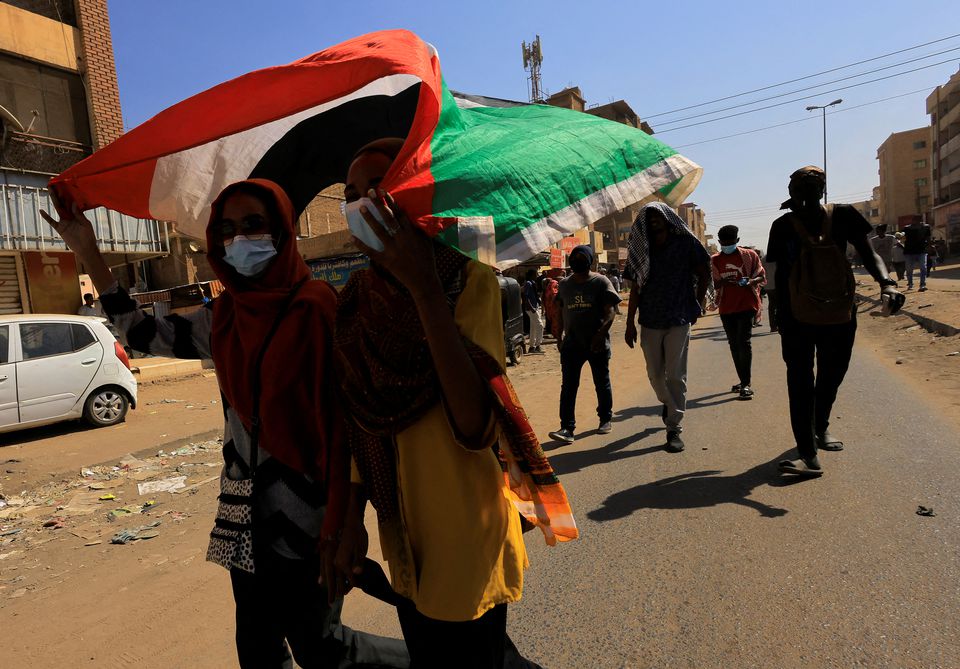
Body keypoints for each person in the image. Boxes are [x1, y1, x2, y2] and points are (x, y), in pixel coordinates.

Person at [42, 181, 408, 669]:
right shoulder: (224, 317)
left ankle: (434, 660)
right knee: (256, 649)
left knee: (321, 647)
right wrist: (88, 251)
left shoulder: (318, 308)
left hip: (310, 515)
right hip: (242, 510)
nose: (239, 240)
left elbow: (347, 429)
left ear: (281, 231)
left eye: (253, 225)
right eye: (228, 230)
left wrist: (345, 522)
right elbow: (143, 332)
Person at [333, 138, 575, 668]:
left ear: (413, 196)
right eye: (351, 194)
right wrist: (350, 521)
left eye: (377, 188)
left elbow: (475, 425)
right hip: (402, 533)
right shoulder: (355, 300)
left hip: (465, 532)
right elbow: (358, 419)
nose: (361, 204)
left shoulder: (466, 278)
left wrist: (422, 288)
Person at [766, 166, 904, 477]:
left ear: (822, 190)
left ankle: (820, 426)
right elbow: (773, 269)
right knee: (799, 380)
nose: (804, 193)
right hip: (795, 314)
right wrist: (774, 308)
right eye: (799, 188)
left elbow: (869, 254)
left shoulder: (843, 215)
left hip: (839, 311)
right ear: (791, 193)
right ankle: (807, 452)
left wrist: (887, 283)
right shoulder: (782, 225)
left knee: (831, 374)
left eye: (811, 187)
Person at [623, 203, 711, 453]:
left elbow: (704, 271)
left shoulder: (685, 243)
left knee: (675, 375)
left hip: (679, 316)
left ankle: (673, 427)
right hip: (650, 319)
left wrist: (698, 301)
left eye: (657, 216)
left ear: (667, 218)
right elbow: (636, 288)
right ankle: (670, 403)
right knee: (654, 374)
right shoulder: (641, 249)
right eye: (648, 217)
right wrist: (629, 323)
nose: (653, 220)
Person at [547, 245, 621, 444]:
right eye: (575, 257)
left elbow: (611, 311)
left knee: (601, 382)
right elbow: (560, 310)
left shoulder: (601, 281)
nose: (577, 261)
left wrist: (600, 334)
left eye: (581, 257)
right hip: (572, 345)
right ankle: (567, 428)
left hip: (596, 343)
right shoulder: (564, 285)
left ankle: (605, 419)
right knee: (569, 387)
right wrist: (559, 337)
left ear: (589, 260)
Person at [711, 226, 766, 400]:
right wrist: (723, 282)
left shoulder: (750, 256)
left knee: (744, 342)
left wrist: (750, 281)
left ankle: (746, 384)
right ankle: (743, 381)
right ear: (719, 243)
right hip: (726, 308)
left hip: (747, 305)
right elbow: (713, 285)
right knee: (734, 345)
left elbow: (761, 276)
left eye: (731, 242)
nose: (728, 245)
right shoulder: (714, 261)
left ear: (737, 241)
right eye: (725, 243)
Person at [903, 219, 932, 292]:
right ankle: (910, 283)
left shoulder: (925, 228)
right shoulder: (907, 228)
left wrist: (929, 247)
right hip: (909, 251)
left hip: (921, 251)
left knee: (923, 267)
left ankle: (922, 284)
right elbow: (903, 238)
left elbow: (928, 238)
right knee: (909, 269)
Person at [522, 269, 545, 354]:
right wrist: (531, 308)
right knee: (540, 326)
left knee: (534, 328)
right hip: (531, 308)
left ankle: (532, 347)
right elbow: (526, 297)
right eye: (536, 274)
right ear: (532, 275)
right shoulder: (528, 283)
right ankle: (538, 346)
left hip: (534, 307)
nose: (537, 276)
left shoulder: (531, 283)